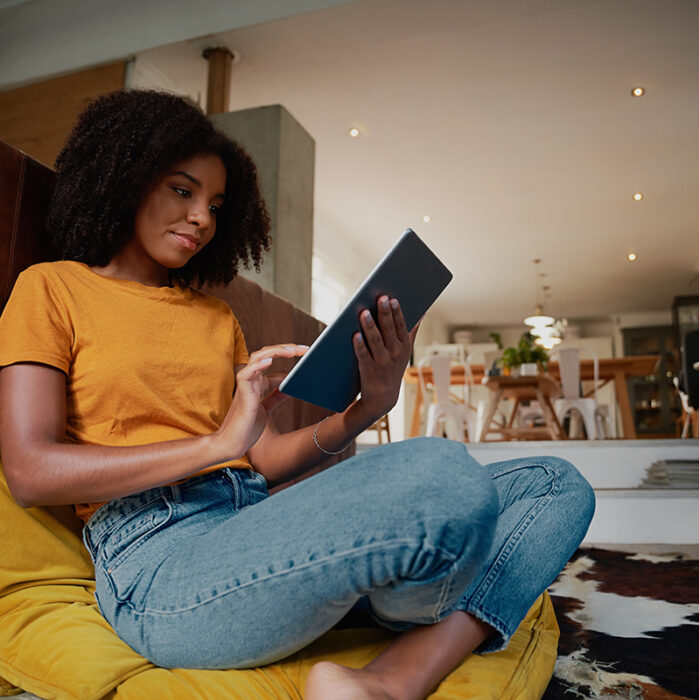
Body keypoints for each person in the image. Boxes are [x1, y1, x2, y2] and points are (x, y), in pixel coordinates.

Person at [0, 89, 595, 700]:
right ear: (124, 177)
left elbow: (262, 459)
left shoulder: (215, 318)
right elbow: (30, 470)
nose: (202, 218)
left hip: (254, 527)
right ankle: (424, 591)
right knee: (441, 475)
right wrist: (215, 443)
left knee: (554, 483)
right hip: (158, 564)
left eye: (216, 203)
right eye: (183, 190)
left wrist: (367, 408)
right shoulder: (52, 289)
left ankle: (391, 679)